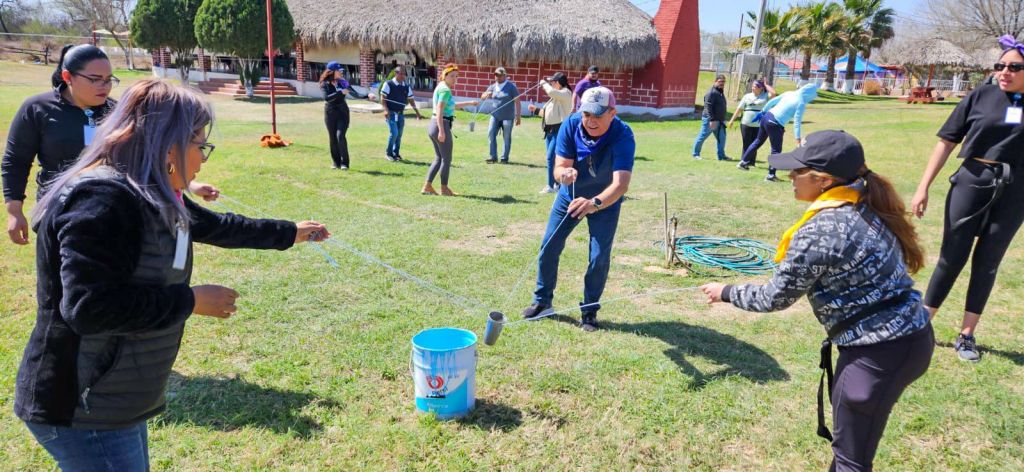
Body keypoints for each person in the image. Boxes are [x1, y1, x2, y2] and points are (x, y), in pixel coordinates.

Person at [16, 79, 330, 470]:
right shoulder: (103, 199)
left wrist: (289, 232)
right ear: (168, 143)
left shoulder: (149, 193)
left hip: (111, 397)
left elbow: (217, 226)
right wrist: (191, 300)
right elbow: (89, 307)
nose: (202, 159)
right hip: (80, 404)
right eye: (200, 144)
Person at [702, 130, 933, 472]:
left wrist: (725, 292)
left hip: (878, 353)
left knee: (851, 460)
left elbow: (775, 297)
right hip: (903, 341)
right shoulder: (863, 204)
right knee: (851, 452)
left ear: (822, 180)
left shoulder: (822, 229)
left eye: (797, 171)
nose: (790, 177)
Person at [2, 44, 219, 245]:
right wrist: (14, 210)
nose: (104, 86)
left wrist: (187, 185)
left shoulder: (118, 113)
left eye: (108, 79)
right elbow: (16, 161)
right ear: (68, 76)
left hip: (109, 210)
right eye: (95, 79)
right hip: (57, 209)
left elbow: (145, 159)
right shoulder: (37, 108)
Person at [910, 35, 1024, 362]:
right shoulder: (982, 96)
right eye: (999, 65)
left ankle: (967, 334)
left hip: (1015, 190)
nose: (1004, 72)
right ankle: (922, 324)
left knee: (988, 262)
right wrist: (923, 187)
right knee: (952, 255)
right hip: (972, 181)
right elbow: (946, 142)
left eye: (1014, 67)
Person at [520, 87, 635, 332]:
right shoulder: (571, 124)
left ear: (612, 113)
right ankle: (542, 302)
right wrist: (564, 174)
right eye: (586, 115)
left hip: (604, 201)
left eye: (597, 116)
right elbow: (558, 167)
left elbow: (621, 184)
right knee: (549, 245)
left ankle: (589, 311)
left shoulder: (623, 135)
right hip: (570, 197)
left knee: (598, 256)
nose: (590, 121)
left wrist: (595, 203)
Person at [740, 83, 820, 182]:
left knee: (758, 141)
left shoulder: (789, 93)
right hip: (775, 123)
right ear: (809, 94)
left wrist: (763, 111)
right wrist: (798, 138)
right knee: (776, 150)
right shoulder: (801, 103)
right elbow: (797, 122)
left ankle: (743, 162)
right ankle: (770, 175)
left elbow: (772, 101)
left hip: (767, 117)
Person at [422, 64, 479, 196]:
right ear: (445, 75)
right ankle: (444, 188)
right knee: (446, 159)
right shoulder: (445, 90)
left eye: (456, 76)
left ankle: (427, 186)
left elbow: (450, 106)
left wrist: (470, 103)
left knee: (438, 158)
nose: (455, 79)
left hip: (433, 125)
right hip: (440, 125)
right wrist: (442, 130)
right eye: (452, 76)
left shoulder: (441, 87)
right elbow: (440, 109)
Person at [529, 72, 573, 194]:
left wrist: (543, 83)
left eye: (553, 82)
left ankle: (551, 185)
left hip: (559, 130)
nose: (551, 84)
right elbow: (547, 114)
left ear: (559, 82)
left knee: (550, 158)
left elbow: (551, 92)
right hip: (549, 131)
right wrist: (536, 110)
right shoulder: (556, 97)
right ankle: (556, 184)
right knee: (552, 159)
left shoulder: (565, 93)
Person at [729, 79, 776, 169]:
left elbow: (773, 93)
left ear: (760, 88)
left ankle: (752, 162)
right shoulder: (747, 96)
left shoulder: (765, 96)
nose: (753, 87)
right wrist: (732, 120)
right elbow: (739, 109)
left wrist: (766, 85)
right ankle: (744, 161)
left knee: (755, 144)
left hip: (759, 125)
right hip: (746, 123)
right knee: (746, 143)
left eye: (755, 86)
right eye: (753, 85)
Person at [380, 66, 424, 162]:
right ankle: (389, 153)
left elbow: (411, 100)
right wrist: (385, 110)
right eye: (401, 73)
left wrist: (417, 113)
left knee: (399, 135)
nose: (404, 75)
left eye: (404, 74)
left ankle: (396, 154)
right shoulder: (388, 84)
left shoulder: (406, 86)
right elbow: (383, 98)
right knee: (394, 133)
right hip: (391, 113)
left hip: (400, 114)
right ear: (396, 73)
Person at [481, 67, 521, 164]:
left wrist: (518, 116)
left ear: (504, 75)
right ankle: (493, 157)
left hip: (507, 117)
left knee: (506, 137)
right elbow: (482, 97)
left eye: (499, 75)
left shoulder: (511, 87)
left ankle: (504, 158)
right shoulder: (493, 86)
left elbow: (518, 101)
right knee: (491, 134)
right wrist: (486, 94)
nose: (497, 77)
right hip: (495, 116)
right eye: (496, 75)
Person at [320, 61, 351, 170]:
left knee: (340, 136)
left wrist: (367, 96)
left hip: (343, 112)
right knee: (332, 138)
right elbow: (327, 98)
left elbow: (354, 93)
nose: (341, 72)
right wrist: (340, 93)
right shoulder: (324, 84)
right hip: (330, 112)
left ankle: (345, 163)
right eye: (339, 70)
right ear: (332, 71)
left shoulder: (342, 82)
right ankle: (336, 162)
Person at [691, 75, 729, 161]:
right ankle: (695, 154)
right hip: (710, 120)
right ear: (715, 82)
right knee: (703, 136)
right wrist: (712, 120)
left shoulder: (720, 92)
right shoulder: (711, 92)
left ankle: (721, 156)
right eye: (720, 81)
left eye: (723, 82)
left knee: (722, 138)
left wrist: (723, 118)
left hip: (720, 120)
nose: (722, 83)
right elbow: (708, 107)